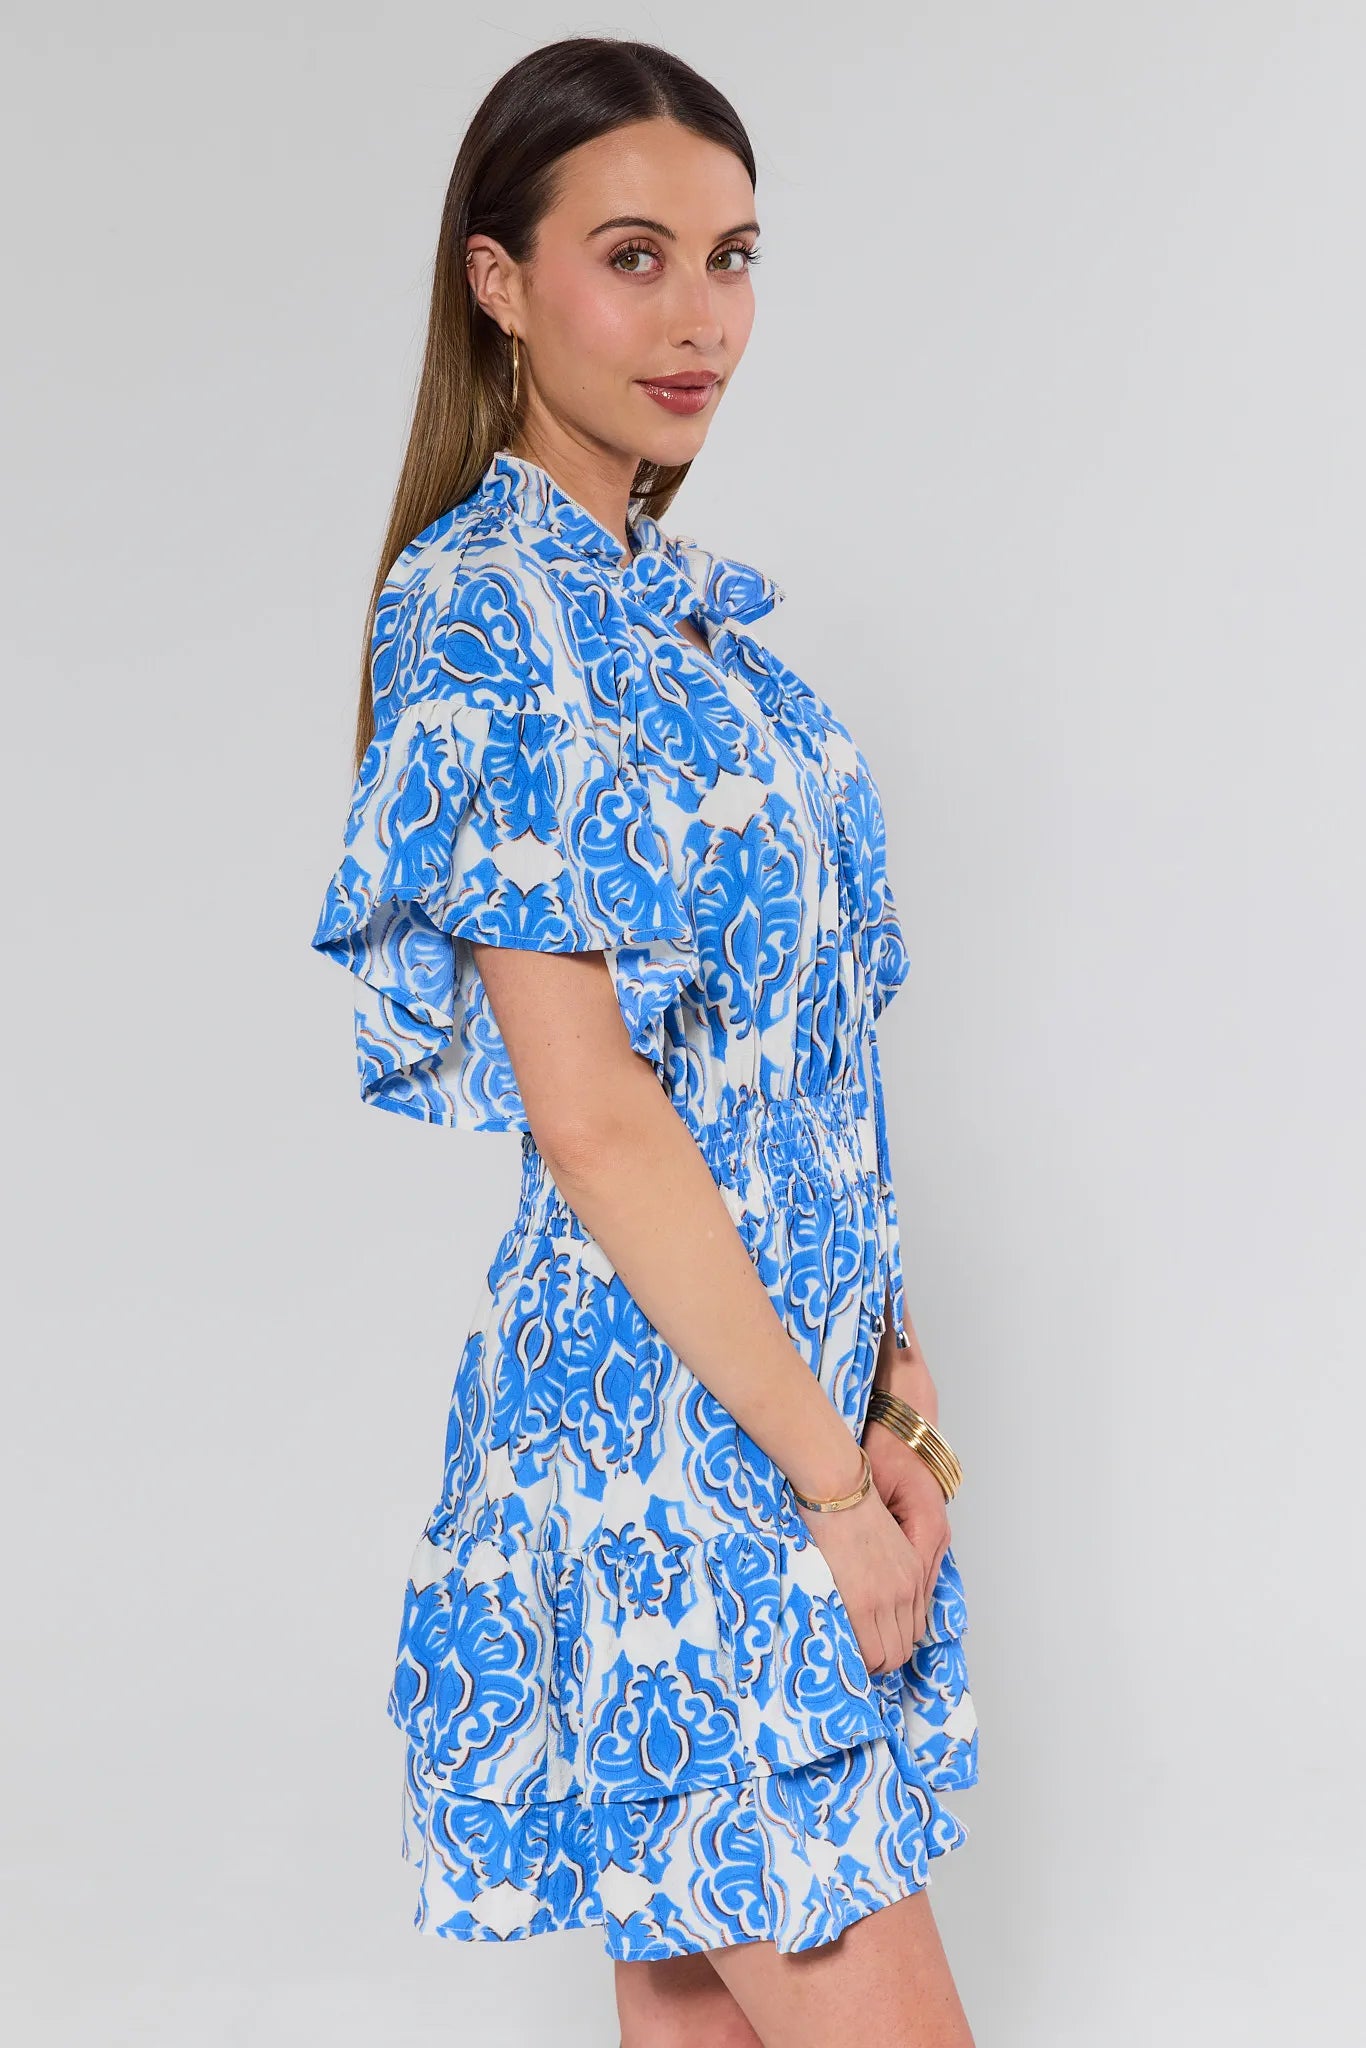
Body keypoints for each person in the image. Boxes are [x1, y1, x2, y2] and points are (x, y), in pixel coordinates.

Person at [309, 35, 979, 2048]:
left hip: (770, 1406)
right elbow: (594, 1117)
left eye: (732, 256)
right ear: (497, 280)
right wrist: (825, 1488)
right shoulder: (486, 614)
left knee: (695, 2010)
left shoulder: (678, 617)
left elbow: (787, 1073)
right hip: (670, 1456)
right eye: (634, 255)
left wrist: (901, 1389)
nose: (702, 318)